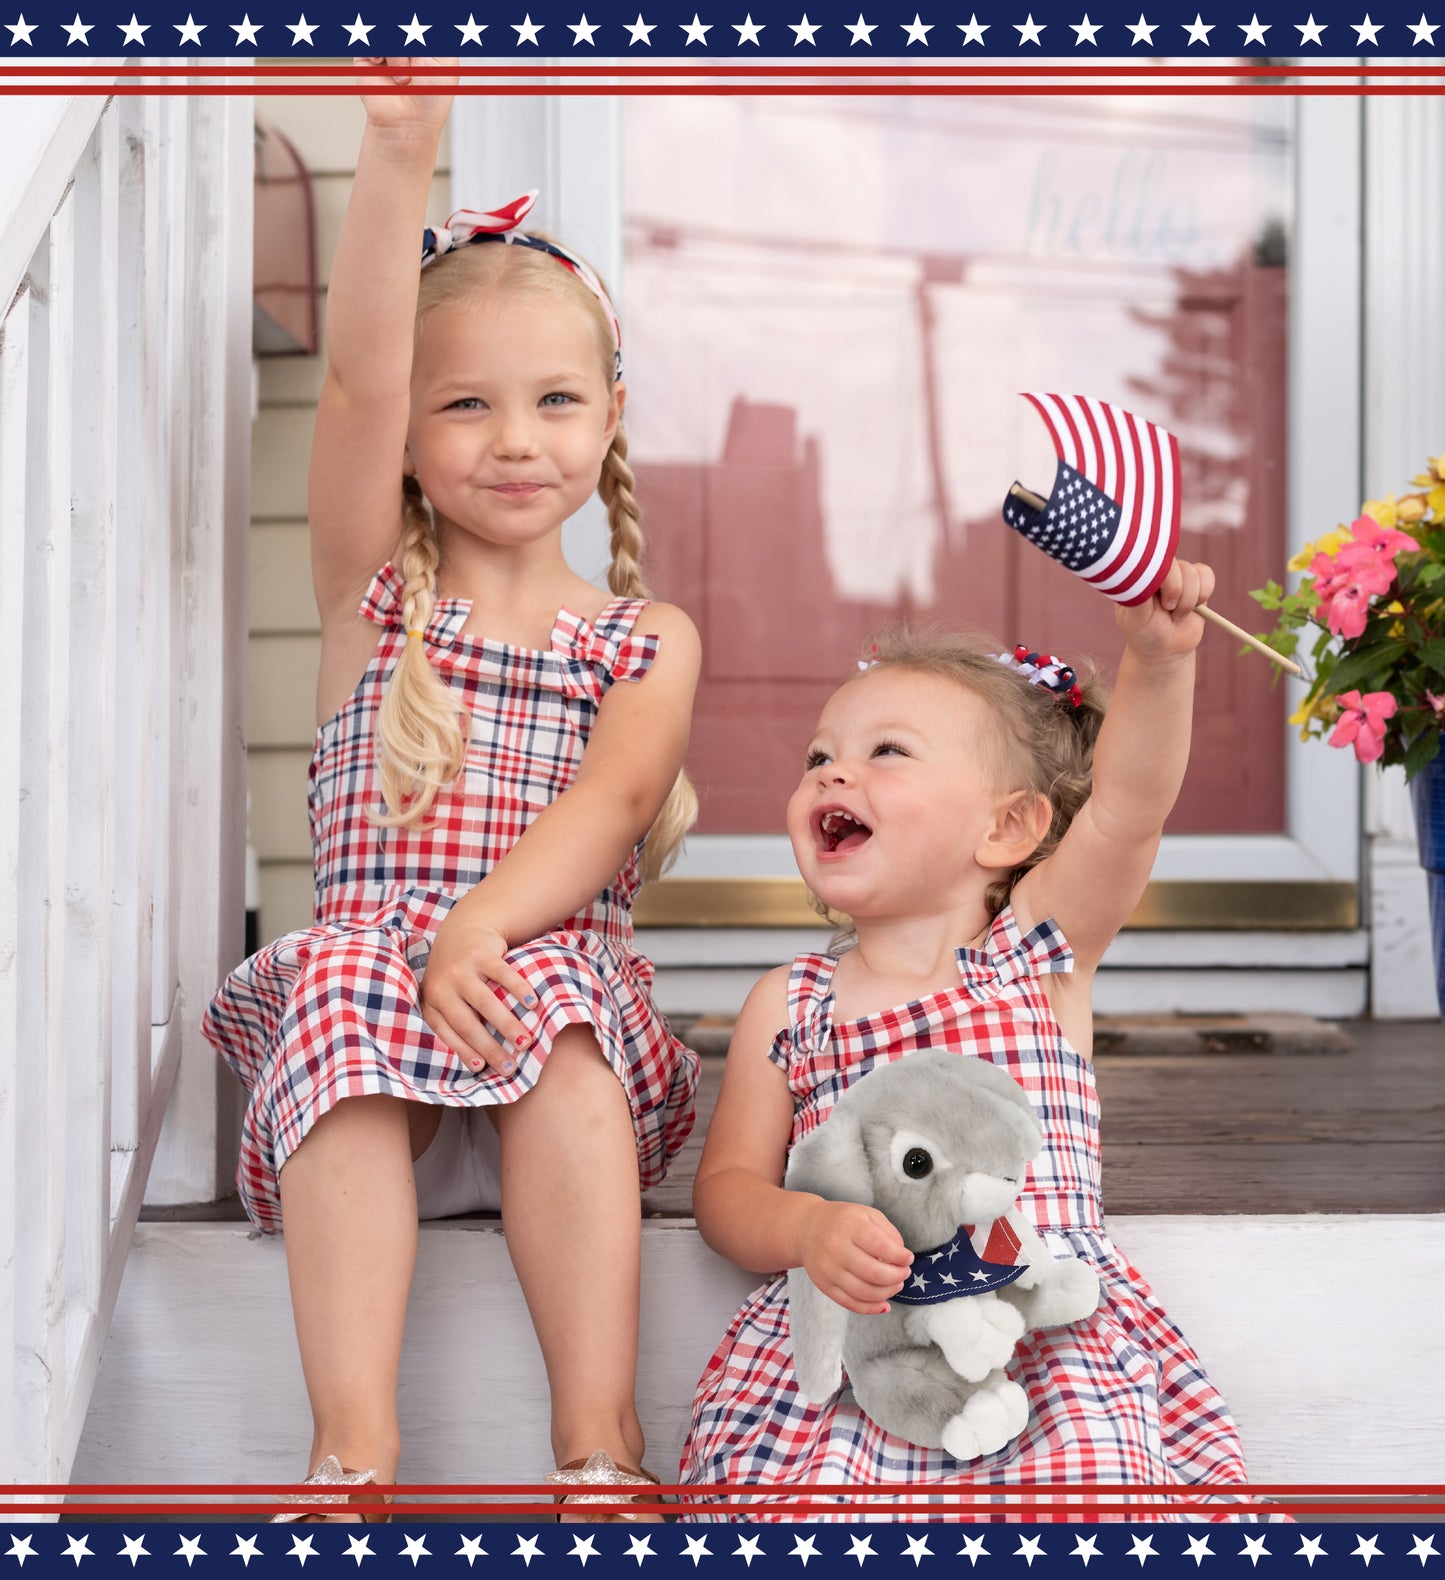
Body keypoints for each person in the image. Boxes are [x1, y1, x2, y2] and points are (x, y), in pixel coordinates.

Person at [204, 60, 700, 1523]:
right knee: (347, 975)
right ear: (414, 438)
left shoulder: (641, 637)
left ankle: (597, 1443)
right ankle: (350, 1457)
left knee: (558, 1007)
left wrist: (481, 927)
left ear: (610, 415)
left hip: (548, 1054)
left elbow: (609, 804)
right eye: (465, 405)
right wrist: (400, 145)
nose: (514, 438)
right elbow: (357, 374)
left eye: (554, 400)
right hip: (372, 1091)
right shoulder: (374, 598)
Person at [682, 559, 1257, 1521]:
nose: (831, 772)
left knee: (1084, 1501)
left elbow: (1127, 810)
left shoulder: (1035, 955)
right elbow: (727, 1191)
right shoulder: (791, 1004)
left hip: (1038, 1344)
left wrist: (1158, 664)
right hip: (865, 1355)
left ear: (1008, 827)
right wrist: (805, 1230)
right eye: (819, 756)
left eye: (887, 752)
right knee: (807, 1508)